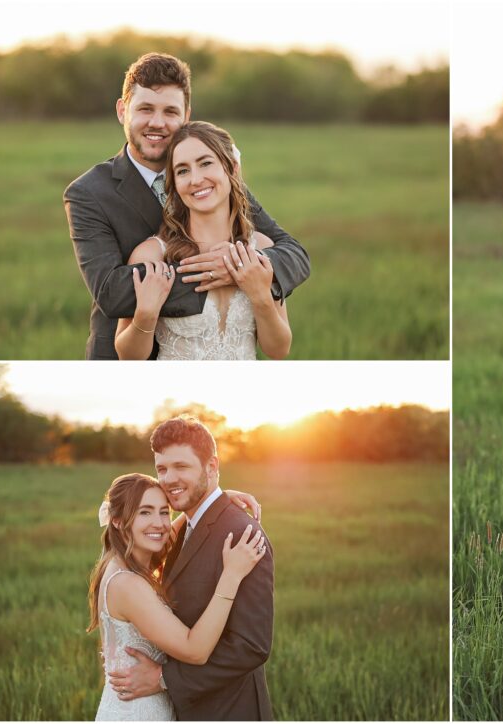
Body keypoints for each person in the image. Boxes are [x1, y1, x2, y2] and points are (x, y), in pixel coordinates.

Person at [65, 52, 309, 360]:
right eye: (145, 109)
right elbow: (112, 293)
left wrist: (250, 272)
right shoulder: (88, 193)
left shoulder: (215, 183)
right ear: (122, 111)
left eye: (170, 111)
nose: (157, 122)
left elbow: (293, 254)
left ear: (186, 115)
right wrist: (226, 269)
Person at [107, 417, 275, 720]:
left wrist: (162, 679)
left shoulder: (241, 535)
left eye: (181, 467)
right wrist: (219, 496)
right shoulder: (179, 529)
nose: (169, 479)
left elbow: (251, 646)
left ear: (211, 467)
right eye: (162, 468)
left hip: (227, 711)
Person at [114, 121, 291, 360]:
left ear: (233, 168)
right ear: (174, 184)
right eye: (183, 171)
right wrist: (145, 315)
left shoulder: (262, 248)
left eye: (206, 163)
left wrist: (261, 297)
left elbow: (278, 350)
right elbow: (128, 357)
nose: (195, 179)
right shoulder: (151, 255)